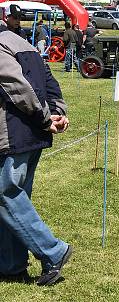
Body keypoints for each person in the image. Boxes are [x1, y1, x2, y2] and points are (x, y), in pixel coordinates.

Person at [0, 16, 72, 286]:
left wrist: (46, 117)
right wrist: (57, 112)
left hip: (14, 134)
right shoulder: (21, 42)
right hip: (31, 135)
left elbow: (17, 87)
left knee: (5, 194)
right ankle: (11, 265)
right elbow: (49, 80)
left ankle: (54, 251)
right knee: (15, 200)